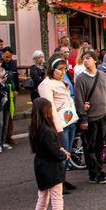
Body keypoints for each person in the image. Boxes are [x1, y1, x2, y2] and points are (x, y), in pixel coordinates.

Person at [29, 98, 80, 210]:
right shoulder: (47, 129)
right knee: (57, 201)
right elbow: (54, 152)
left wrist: (59, 150)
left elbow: (46, 148)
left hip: (40, 166)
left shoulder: (35, 127)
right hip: (51, 167)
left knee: (42, 199)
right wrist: (63, 154)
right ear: (46, 111)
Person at [74, 50, 106, 184]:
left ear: (95, 60)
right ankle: (93, 174)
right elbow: (79, 100)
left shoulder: (102, 76)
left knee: (100, 145)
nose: (85, 60)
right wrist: (83, 118)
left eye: (88, 58)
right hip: (90, 118)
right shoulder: (80, 78)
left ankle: (100, 169)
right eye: (84, 58)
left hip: (102, 116)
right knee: (89, 147)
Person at [38, 56, 78, 193]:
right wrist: (57, 127)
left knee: (67, 153)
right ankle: (57, 183)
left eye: (64, 69)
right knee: (61, 153)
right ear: (52, 69)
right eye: (59, 69)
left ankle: (63, 179)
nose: (62, 72)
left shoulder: (61, 81)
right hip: (60, 124)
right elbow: (50, 108)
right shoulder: (46, 84)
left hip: (70, 121)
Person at [0, 48, 19, 145]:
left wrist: (16, 90)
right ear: (2, 54)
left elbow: (15, 76)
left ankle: (9, 135)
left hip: (12, 90)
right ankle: (1, 136)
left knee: (11, 114)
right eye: (6, 57)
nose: (8, 59)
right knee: (2, 115)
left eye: (10, 57)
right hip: (1, 92)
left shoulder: (13, 63)